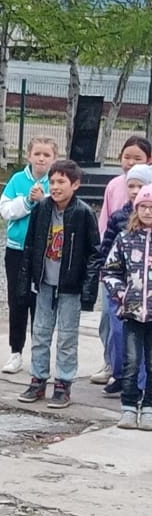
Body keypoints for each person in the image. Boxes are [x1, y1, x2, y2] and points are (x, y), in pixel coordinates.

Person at [17, 159, 102, 409]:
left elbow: (94, 253)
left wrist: (87, 291)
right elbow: (30, 246)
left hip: (70, 286)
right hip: (44, 282)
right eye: (52, 182)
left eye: (61, 182)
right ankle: (38, 379)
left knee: (66, 336)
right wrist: (26, 280)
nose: (55, 187)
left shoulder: (84, 213)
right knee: (40, 332)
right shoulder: (41, 209)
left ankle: (63, 383)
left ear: (75, 184)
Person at [91, 136, 152, 385]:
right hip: (121, 283)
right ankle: (116, 370)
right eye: (126, 156)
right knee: (114, 325)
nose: (135, 191)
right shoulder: (116, 199)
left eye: (137, 157)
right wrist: (105, 272)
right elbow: (106, 235)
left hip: (145, 289)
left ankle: (141, 383)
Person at [0, 137, 56, 374]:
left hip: (45, 252)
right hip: (17, 250)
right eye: (37, 154)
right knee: (17, 301)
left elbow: (58, 212)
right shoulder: (17, 180)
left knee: (41, 305)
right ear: (29, 155)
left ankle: (40, 356)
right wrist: (27, 201)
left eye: (47, 155)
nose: (41, 159)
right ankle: (15, 352)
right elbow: (5, 209)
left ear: (54, 158)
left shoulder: (56, 181)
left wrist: (44, 201)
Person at [102, 184, 152, 430]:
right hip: (132, 312)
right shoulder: (125, 239)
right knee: (131, 361)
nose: (148, 212)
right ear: (136, 209)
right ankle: (129, 407)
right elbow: (110, 271)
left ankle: (150, 408)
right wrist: (122, 294)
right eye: (144, 207)